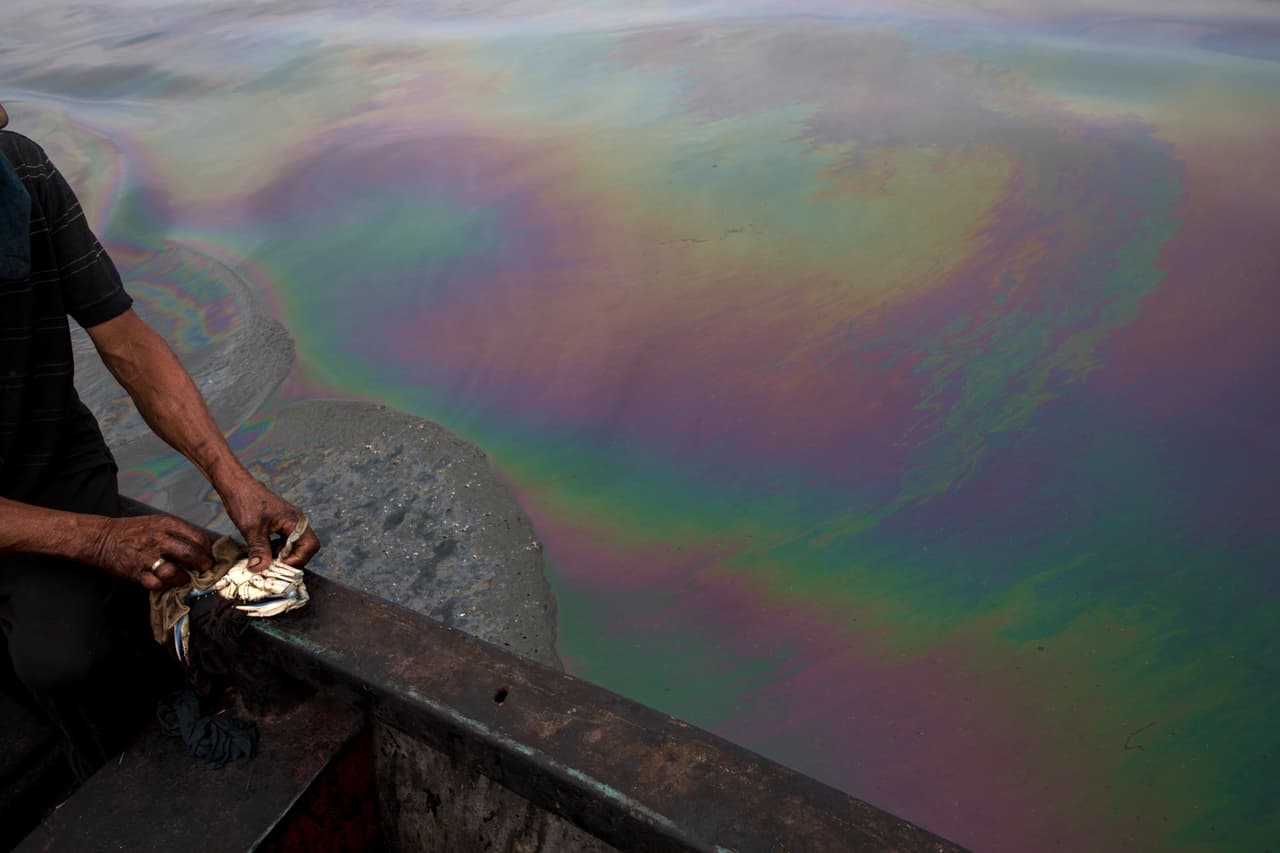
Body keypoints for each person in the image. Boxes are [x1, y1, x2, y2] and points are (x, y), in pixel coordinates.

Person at [0, 102, 321, 782]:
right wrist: (96, 539)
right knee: (55, 664)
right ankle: (101, 778)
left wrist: (231, 476)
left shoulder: (21, 171)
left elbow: (127, 343)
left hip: (55, 469)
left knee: (97, 637)